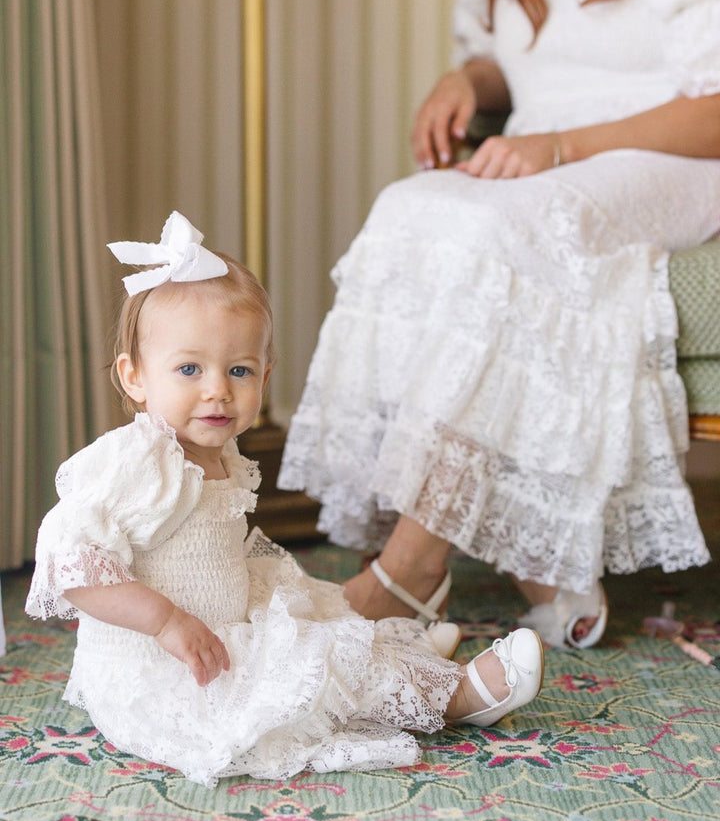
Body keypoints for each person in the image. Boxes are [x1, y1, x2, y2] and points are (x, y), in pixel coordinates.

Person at [277, 0, 720, 649]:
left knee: (499, 233)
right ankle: (543, 570)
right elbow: (503, 62)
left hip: (671, 158)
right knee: (408, 209)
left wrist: (561, 146)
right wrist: (466, 81)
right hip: (541, 151)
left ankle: (408, 573)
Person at [25, 211, 544, 788]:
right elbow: (70, 561)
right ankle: (456, 698)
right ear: (135, 377)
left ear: (265, 378)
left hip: (222, 624)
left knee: (318, 618)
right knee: (310, 668)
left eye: (239, 370)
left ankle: (408, 665)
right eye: (189, 368)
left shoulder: (213, 451)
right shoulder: (137, 461)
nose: (217, 389)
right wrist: (166, 621)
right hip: (171, 667)